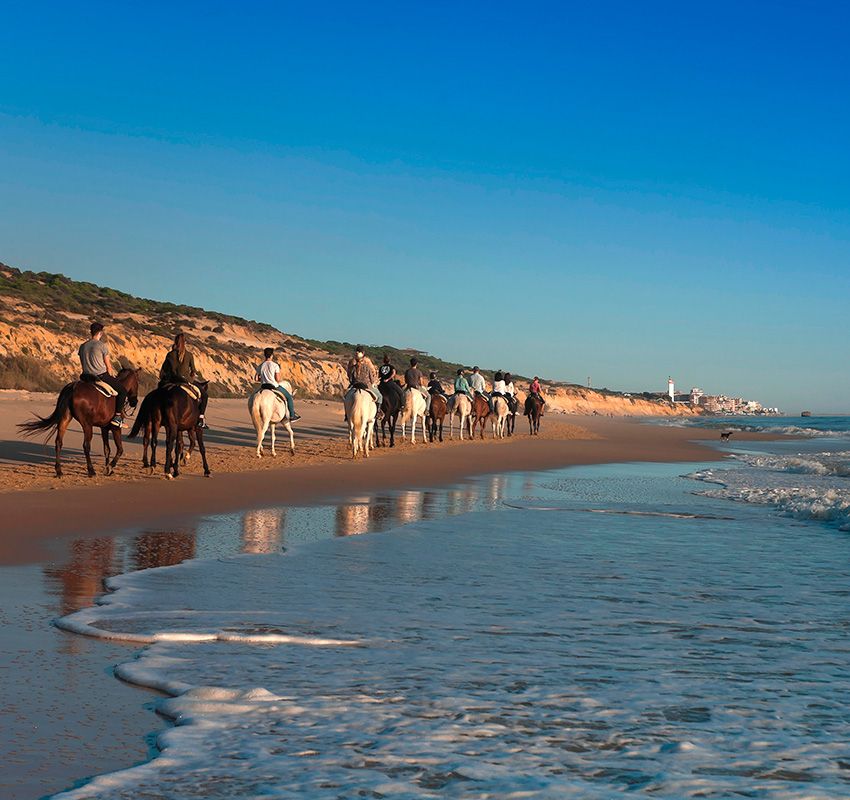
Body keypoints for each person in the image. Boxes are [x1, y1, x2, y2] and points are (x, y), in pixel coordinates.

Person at [78, 322, 126, 428]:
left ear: (91, 332)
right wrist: (112, 376)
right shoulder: (102, 345)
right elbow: (108, 366)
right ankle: (117, 417)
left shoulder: (83, 346)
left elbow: (82, 362)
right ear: (100, 333)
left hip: (85, 376)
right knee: (122, 391)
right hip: (100, 376)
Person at [159, 333, 209, 428]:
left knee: (158, 394)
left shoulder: (169, 354)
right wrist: (191, 377)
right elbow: (193, 371)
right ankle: (201, 418)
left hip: (172, 380)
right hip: (186, 380)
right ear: (184, 342)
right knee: (205, 396)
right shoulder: (189, 355)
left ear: (175, 342)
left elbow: (164, 370)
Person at [254, 347, 301, 421]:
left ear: (265, 355)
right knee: (289, 397)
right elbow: (278, 379)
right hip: (273, 386)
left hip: (263, 386)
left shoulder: (260, 366)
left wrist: (263, 379)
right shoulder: (275, 365)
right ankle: (292, 416)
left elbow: (256, 379)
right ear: (272, 355)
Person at [346, 347, 381, 418]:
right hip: (366, 385)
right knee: (380, 397)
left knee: (346, 397)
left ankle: (346, 414)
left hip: (355, 385)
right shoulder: (367, 362)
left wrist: (352, 382)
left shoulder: (352, 362)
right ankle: (377, 413)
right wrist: (373, 383)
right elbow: (372, 375)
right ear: (363, 353)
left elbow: (349, 375)